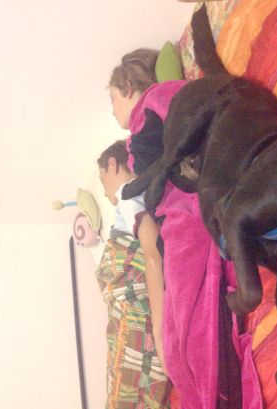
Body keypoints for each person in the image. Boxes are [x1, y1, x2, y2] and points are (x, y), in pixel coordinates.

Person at [107, 47, 245, 409]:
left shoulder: (158, 99)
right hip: (180, 211)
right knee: (188, 329)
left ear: (127, 87)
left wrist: (157, 328)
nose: (112, 110)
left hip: (185, 208)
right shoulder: (139, 133)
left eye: (112, 99)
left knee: (188, 328)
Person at [95, 140, 170, 409]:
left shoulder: (127, 196)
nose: (104, 192)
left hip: (132, 310)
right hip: (124, 306)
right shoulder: (136, 198)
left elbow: (153, 251)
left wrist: (159, 333)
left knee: (121, 391)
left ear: (113, 164)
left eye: (102, 181)